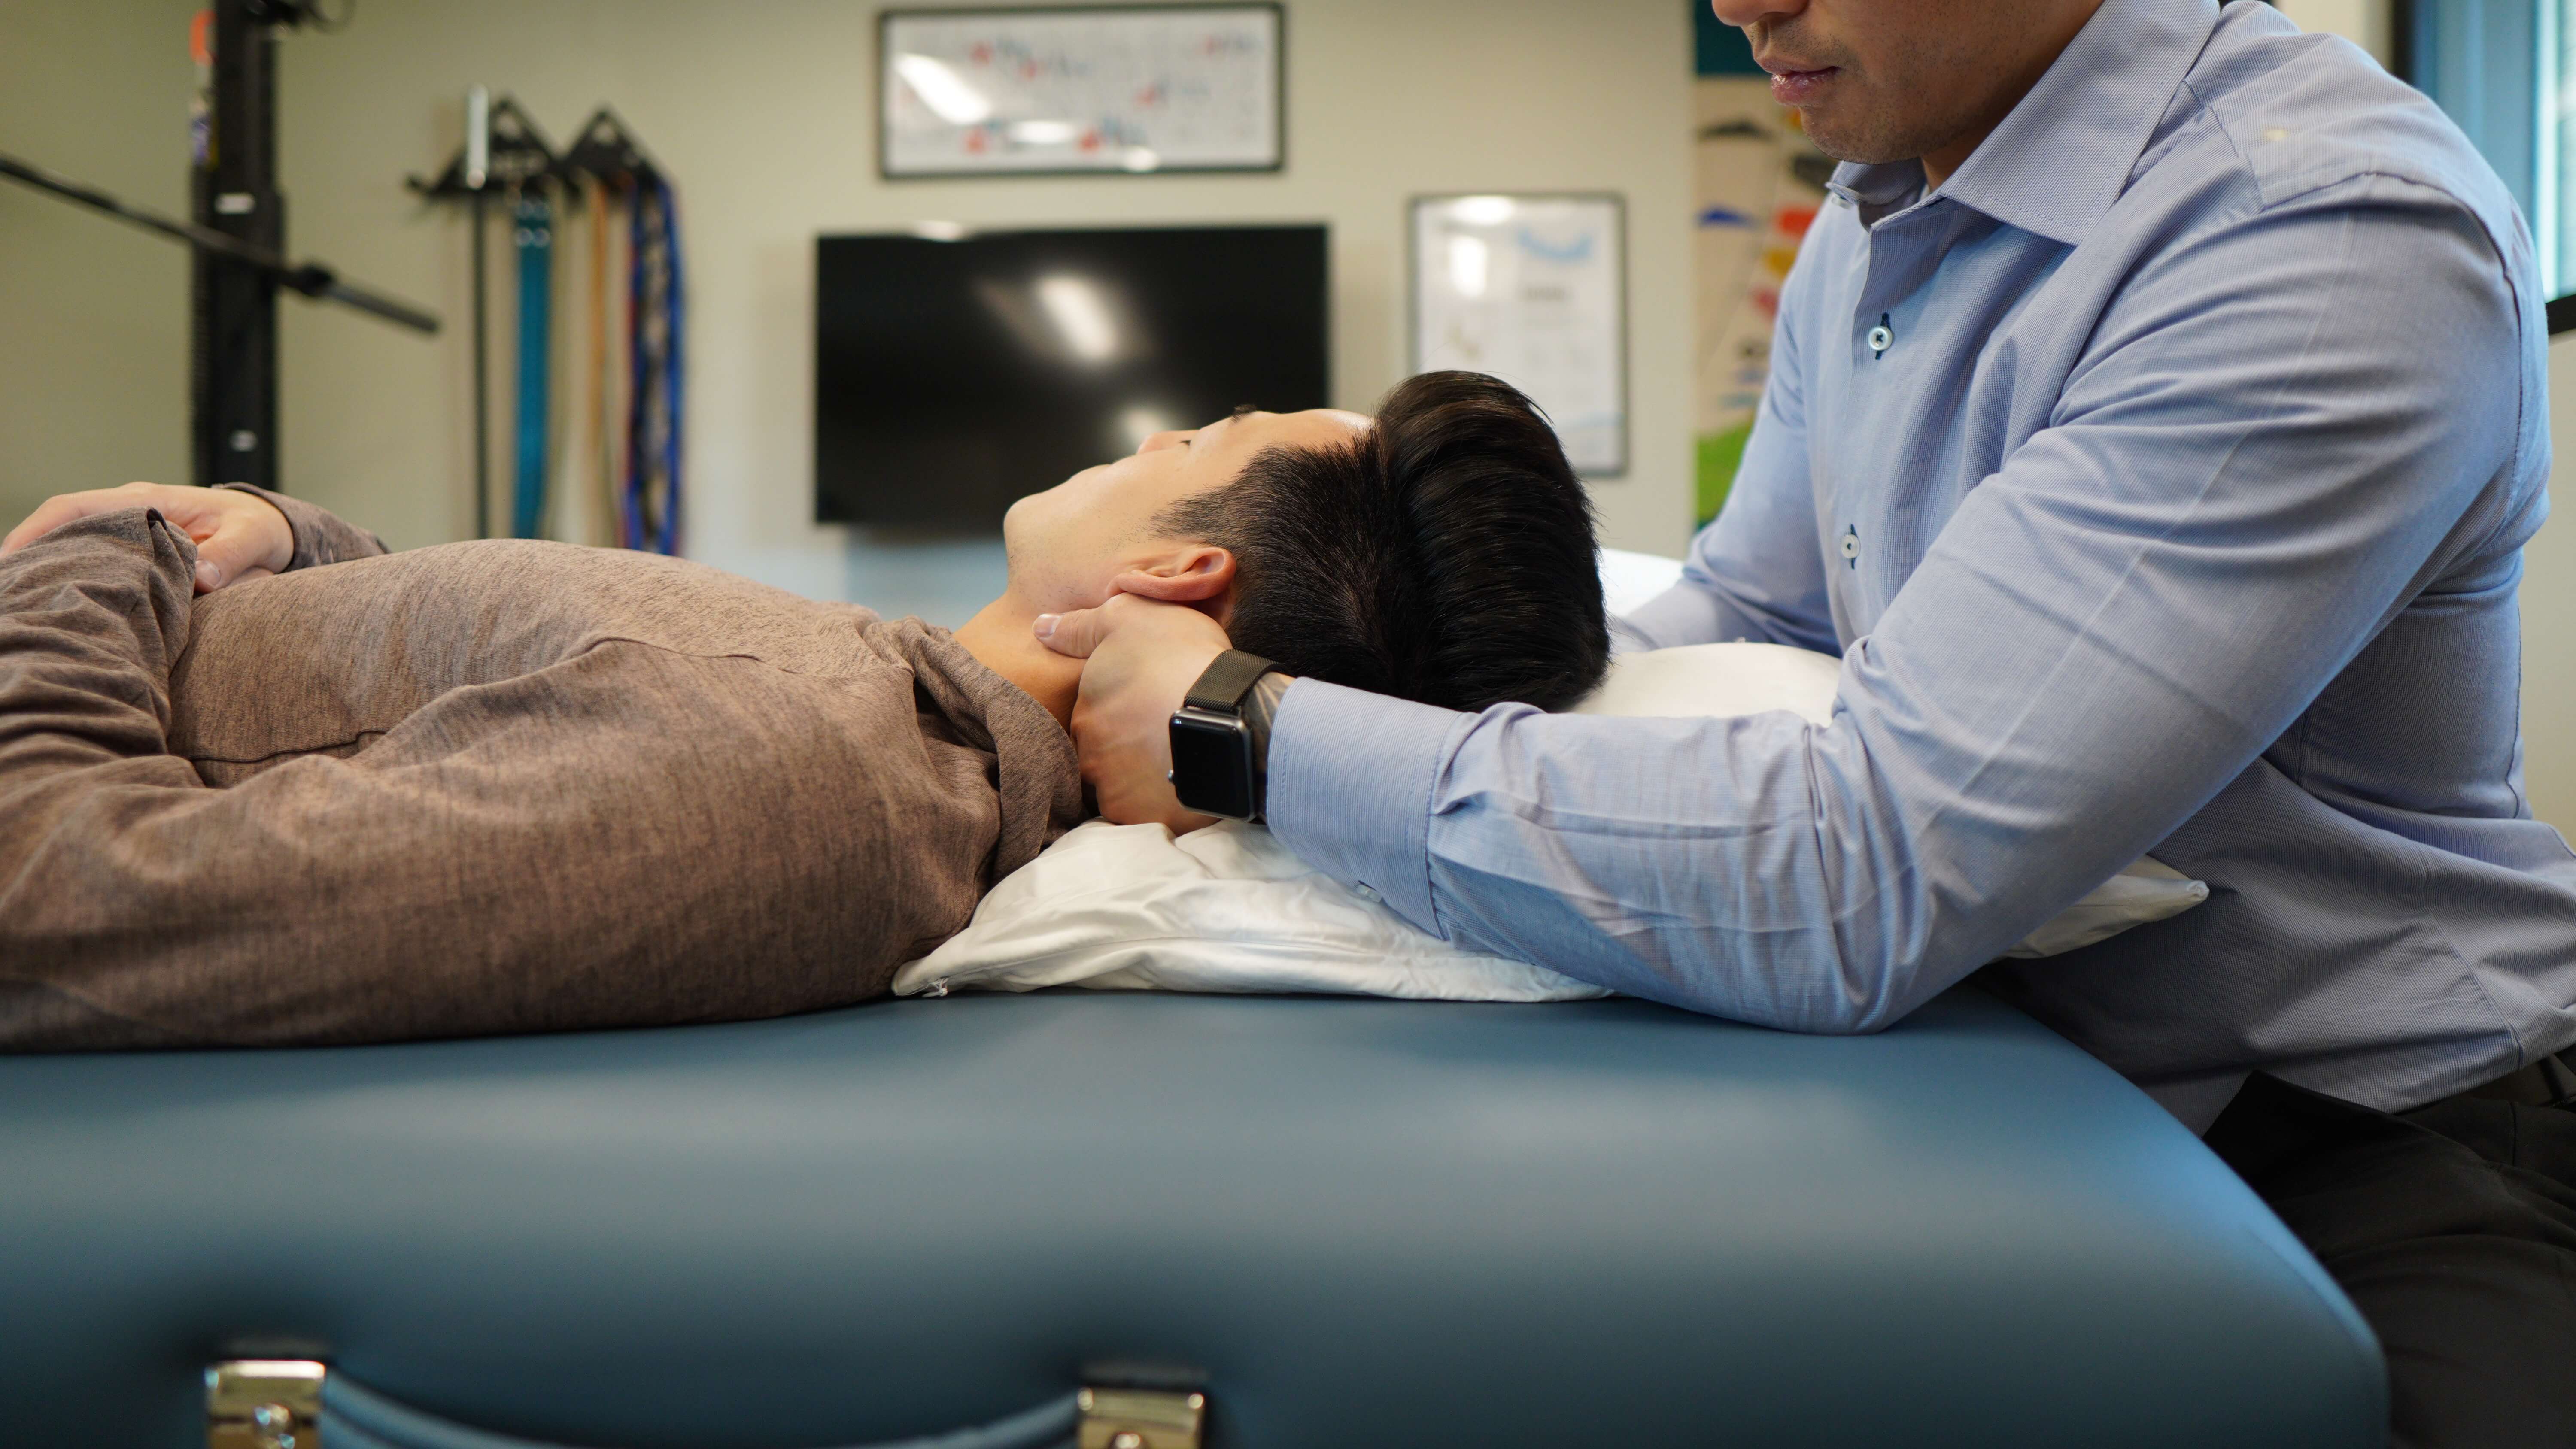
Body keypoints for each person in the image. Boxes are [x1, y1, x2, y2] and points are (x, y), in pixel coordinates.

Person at [1038, 2, 2576, 1443]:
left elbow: (1868, 875)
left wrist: (1255, 731)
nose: (1738, 2)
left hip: (2377, 1136)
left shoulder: (2317, 236)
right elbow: (1752, 618)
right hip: (2022, 1092)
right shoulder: (1880, 212)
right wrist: (1404, 677)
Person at [0, 370, 1607, 1051]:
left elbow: (50, 893)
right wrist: (286, 542)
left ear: (1184, 571)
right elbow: (406, 704)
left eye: (1205, 433)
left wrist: (103, 562)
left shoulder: (802, 765)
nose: (1150, 431)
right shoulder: (857, 698)